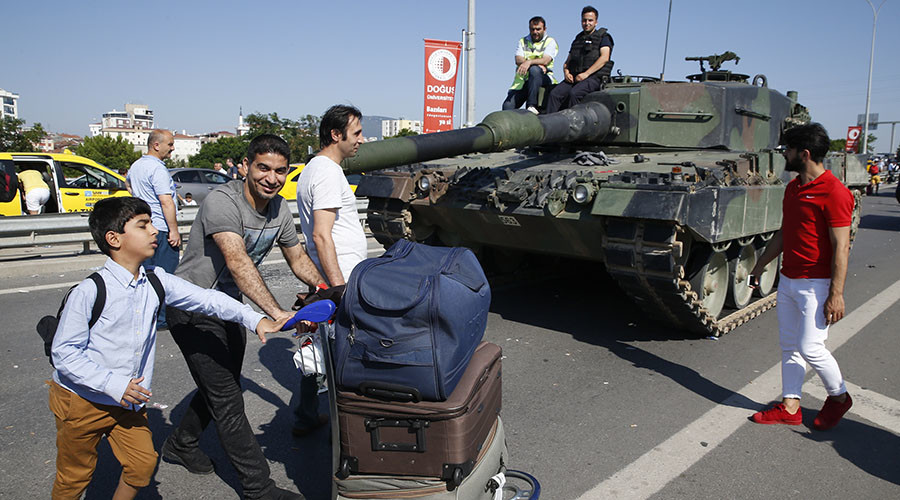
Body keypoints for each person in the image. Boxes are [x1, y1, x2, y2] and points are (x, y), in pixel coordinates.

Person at [48, 196, 287, 500]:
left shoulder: (156, 281)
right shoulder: (91, 290)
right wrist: (113, 384)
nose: (154, 231)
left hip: (126, 401)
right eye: (143, 225)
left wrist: (255, 319)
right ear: (114, 239)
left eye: (152, 222)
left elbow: (207, 299)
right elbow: (64, 354)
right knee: (74, 477)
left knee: (143, 465)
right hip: (81, 399)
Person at [164, 134, 325, 500]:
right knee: (228, 400)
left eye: (280, 171)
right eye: (263, 168)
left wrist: (331, 290)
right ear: (245, 166)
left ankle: (181, 443)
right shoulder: (223, 201)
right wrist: (276, 313)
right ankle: (258, 488)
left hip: (229, 310)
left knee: (221, 385)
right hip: (192, 309)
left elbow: (298, 259)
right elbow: (237, 262)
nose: (271, 178)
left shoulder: (279, 210)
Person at [749, 123, 854, 430]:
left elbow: (841, 248)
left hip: (817, 286)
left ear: (804, 154)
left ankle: (839, 397)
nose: (785, 153)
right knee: (790, 346)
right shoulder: (793, 189)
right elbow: (785, 233)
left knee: (811, 348)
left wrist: (836, 293)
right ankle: (791, 405)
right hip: (789, 281)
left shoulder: (835, 193)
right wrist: (760, 266)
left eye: (789, 149)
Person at [292, 105, 368, 436]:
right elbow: (322, 234)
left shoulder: (316, 168)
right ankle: (346, 434)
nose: (362, 141)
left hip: (337, 273)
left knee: (320, 348)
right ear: (336, 135)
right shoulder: (326, 172)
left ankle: (307, 416)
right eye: (357, 134)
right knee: (342, 352)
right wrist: (337, 288)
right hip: (342, 276)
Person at [127, 129, 180, 328]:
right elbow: (166, 201)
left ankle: (144, 315)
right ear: (156, 145)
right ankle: (162, 318)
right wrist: (173, 230)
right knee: (165, 275)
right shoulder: (157, 169)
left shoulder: (136, 166)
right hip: (161, 228)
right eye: (170, 144)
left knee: (145, 274)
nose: (172, 148)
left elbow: (129, 186)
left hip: (144, 228)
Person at [545, 5, 614, 114]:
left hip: (594, 78)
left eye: (590, 20)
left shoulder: (604, 37)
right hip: (575, 77)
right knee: (555, 94)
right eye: (584, 20)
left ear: (596, 22)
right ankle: (549, 125)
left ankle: (573, 126)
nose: (587, 23)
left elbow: (604, 58)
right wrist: (566, 72)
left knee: (575, 93)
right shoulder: (578, 39)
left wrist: (586, 74)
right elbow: (568, 61)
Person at [501, 16, 558, 114]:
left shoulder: (550, 42)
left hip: (542, 79)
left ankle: (531, 105)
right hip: (523, 81)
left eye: (538, 29)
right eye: (532, 29)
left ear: (544, 29)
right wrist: (534, 63)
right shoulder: (523, 41)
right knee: (507, 107)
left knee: (535, 70)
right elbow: (518, 59)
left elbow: (545, 60)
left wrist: (529, 63)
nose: (535, 32)